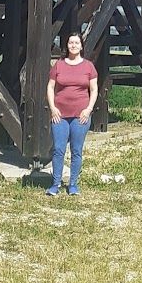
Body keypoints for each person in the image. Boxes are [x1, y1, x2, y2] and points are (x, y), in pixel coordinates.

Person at [46, 31, 98, 197]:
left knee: (76, 150)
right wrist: (53, 108)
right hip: (59, 115)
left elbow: (94, 89)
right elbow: (50, 87)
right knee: (58, 149)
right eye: (70, 43)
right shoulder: (59, 65)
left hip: (80, 115)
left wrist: (89, 109)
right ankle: (55, 184)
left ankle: (73, 184)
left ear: (81, 46)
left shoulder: (88, 66)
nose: (73, 45)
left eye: (76, 43)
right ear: (67, 46)